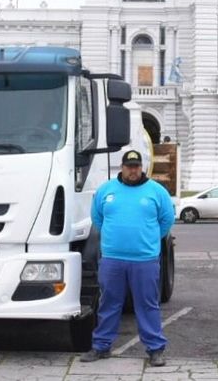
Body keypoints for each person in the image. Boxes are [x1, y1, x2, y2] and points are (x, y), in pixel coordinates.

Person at [82, 150, 176, 367]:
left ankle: (155, 349)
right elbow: (98, 218)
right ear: (122, 167)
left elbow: (166, 220)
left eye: (136, 166)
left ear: (141, 167)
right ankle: (101, 346)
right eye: (128, 166)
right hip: (112, 259)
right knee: (108, 303)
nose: (132, 170)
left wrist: (148, 240)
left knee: (147, 305)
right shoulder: (106, 190)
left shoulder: (156, 191)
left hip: (145, 260)